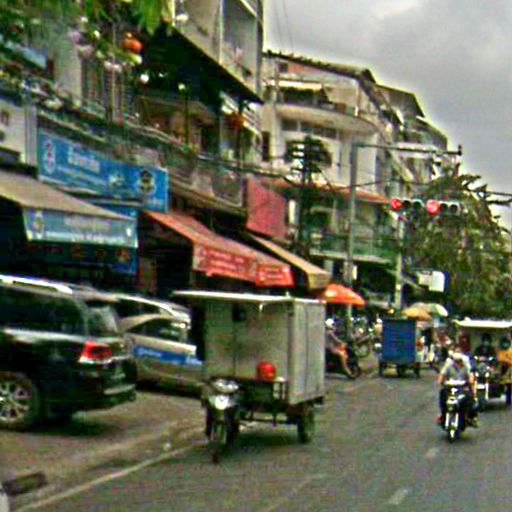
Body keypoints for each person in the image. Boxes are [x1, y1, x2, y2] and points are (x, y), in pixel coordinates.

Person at [437, 346, 478, 427]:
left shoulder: (467, 364)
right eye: (456, 361)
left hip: (462, 388)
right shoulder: (449, 364)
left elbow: (471, 375)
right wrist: (441, 381)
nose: (458, 363)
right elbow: (442, 374)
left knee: (470, 399)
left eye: (459, 361)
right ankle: (443, 414)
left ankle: (469, 417)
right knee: (442, 394)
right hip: (450, 388)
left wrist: (470, 381)